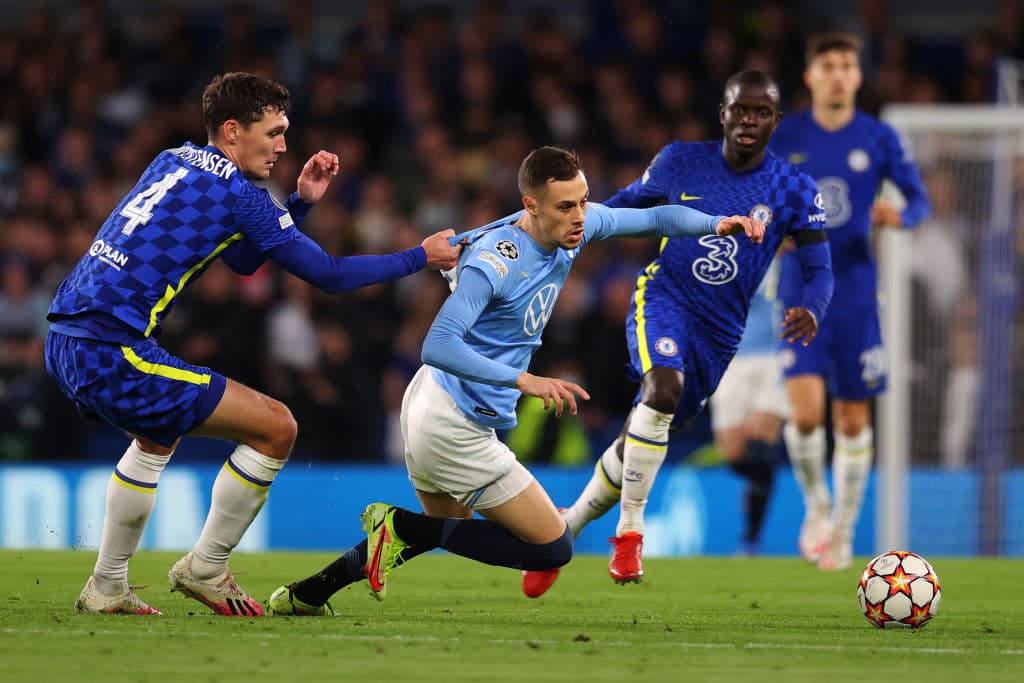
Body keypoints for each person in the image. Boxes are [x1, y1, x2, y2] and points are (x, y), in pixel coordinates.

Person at [265, 145, 765, 615]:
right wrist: (522, 380)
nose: (580, 216)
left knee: (443, 528)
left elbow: (656, 217)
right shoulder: (495, 260)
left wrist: (718, 223)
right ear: (531, 205)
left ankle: (307, 593)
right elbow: (437, 343)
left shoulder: (576, 227)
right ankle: (394, 525)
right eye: (566, 206)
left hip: (435, 404)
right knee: (551, 547)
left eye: (584, 202)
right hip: (451, 421)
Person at [44, 72, 461, 617]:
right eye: (275, 132)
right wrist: (419, 258)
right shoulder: (240, 196)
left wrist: (299, 203)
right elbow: (330, 275)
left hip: (65, 335)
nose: (284, 146)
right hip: (111, 348)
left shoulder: (172, 159)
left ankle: (107, 585)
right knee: (276, 427)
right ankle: (205, 567)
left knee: (155, 438)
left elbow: (240, 259)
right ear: (234, 129)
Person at [521, 69, 834, 598]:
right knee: (661, 389)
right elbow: (617, 208)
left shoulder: (794, 188)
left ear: (776, 121)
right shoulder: (680, 161)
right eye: (740, 109)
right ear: (724, 114)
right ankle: (629, 535)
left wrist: (815, 307)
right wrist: (547, 233)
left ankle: (565, 531)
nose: (749, 120)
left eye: (761, 112)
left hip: (721, 334)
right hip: (665, 299)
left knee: (642, 436)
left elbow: (821, 267)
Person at [767, 32, 930, 570]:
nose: (838, 74)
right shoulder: (785, 135)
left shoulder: (879, 138)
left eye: (846, 66)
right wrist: (771, 229)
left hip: (858, 291)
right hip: (800, 287)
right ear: (811, 76)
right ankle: (817, 509)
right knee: (808, 414)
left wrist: (898, 216)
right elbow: (757, 200)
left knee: (855, 421)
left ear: (858, 76)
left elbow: (919, 201)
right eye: (828, 65)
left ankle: (842, 531)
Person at [709, 259, 787, 556]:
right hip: (735, 357)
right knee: (733, 453)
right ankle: (758, 484)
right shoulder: (732, 253)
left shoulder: (795, 251)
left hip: (777, 356)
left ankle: (751, 539)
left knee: (759, 442)